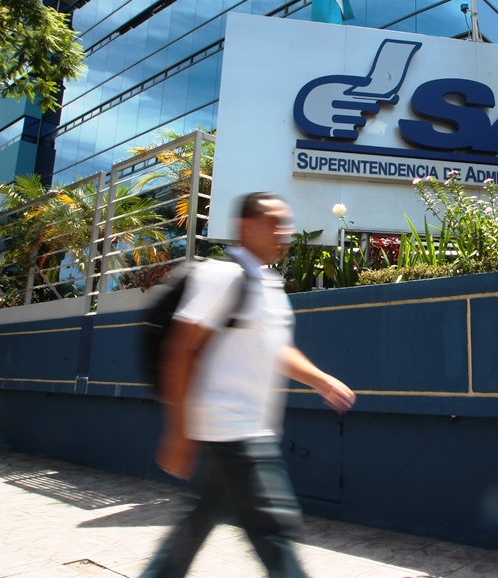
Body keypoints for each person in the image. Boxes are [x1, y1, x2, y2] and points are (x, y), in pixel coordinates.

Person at [141, 192, 356, 578]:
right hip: (232, 430)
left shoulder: (268, 284)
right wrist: (177, 432)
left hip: (242, 430)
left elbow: (274, 350)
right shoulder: (223, 276)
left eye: (285, 223)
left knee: (197, 520)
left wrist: (321, 380)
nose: (283, 232)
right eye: (272, 222)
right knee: (273, 529)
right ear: (244, 227)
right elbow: (181, 349)